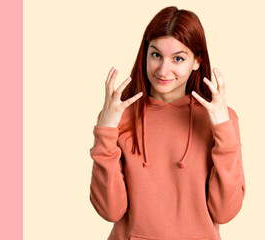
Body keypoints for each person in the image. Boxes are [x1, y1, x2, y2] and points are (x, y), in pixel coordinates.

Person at [89, 6, 245, 240]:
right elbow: (109, 210)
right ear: (145, 54)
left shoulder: (221, 118)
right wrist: (106, 130)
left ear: (196, 61)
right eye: (156, 55)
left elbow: (224, 212)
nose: (163, 70)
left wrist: (223, 129)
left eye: (178, 58)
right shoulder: (118, 115)